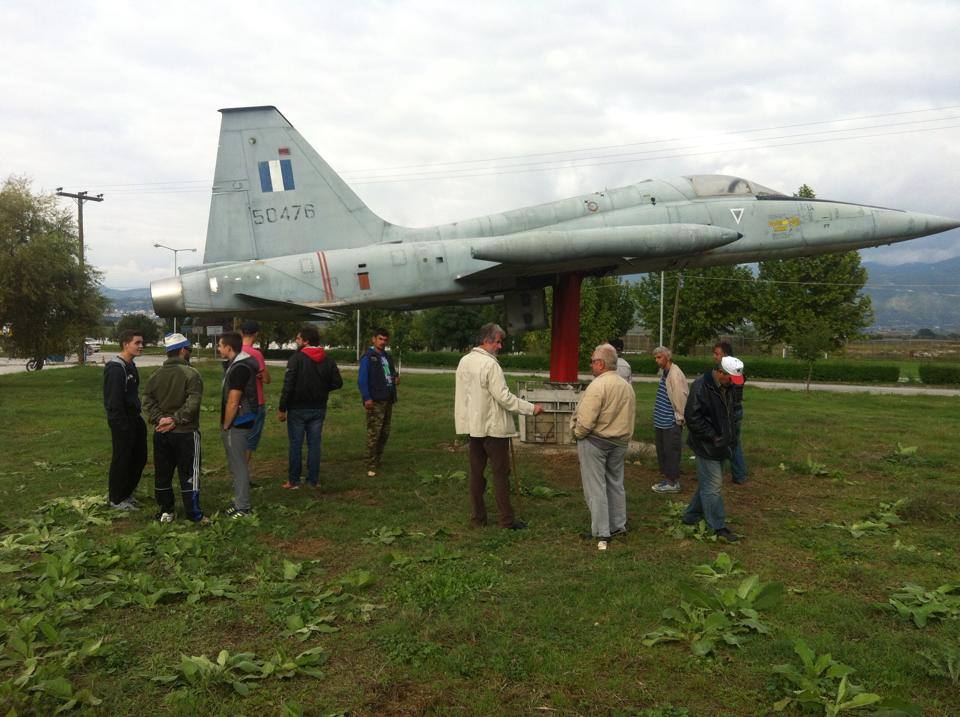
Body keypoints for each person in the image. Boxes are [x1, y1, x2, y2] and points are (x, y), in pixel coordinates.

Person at [454, 323, 543, 530]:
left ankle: (478, 518)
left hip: (474, 428)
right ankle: (507, 520)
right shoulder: (490, 365)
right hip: (493, 428)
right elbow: (504, 398)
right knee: (500, 474)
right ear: (486, 341)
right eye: (498, 341)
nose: (500, 346)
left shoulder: (464, 361)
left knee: (476, 473)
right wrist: (531, 408)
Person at [572, 343, 636, 551]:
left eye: (592, 361)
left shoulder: (597, 386)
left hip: (595, 441)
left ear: (600, 364)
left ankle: (601, 532)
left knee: (595, 487)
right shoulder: (626, 386)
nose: (590, 365)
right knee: (616, 483)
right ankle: (618, 525)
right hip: (619, 442)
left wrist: (577, 434)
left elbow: (586, 420)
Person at [142, 333, 204, 523]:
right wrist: (175, 420)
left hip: (161, 433)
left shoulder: (155, 375)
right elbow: (192, 405)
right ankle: (193, 514)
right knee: (189, 474)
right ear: (184, 350)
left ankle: (166, 512)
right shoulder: (192, 374)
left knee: (163, 473)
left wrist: (161, 419)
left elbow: (147, 401)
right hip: (186, 433)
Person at [682, 356, 745, 542]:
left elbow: (732, 411)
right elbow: (692, 418)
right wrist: (713, 437)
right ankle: (717, 527)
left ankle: (691, 516)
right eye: (730, 378)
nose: (734, 383)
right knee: (714, 486)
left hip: (723, 443)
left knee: (708, 483)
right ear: (719, 372)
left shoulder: (731, 385)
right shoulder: (701, 386)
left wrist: (730, 437)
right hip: (707, 445)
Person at [277, 325, 343, 489]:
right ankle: (313, 480)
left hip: (297, 408)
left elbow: (288, 385)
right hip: (318, 408)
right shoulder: (327, 359)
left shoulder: (296, 359)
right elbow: (337, 382)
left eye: (298, 339)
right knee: (314, 445)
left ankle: (293, 480)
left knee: (296, 444)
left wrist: (282, 408)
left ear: (305, 341)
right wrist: (322, 388)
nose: (296, 341)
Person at [103, 329, 147, 510]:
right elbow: (114, 401)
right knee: (122, 458)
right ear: (125, 344)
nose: (141, 346)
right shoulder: (116, 368)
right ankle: (116, 498)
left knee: (139, 457)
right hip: (122, 421)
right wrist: (122, 425)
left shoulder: (131, 365)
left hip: (135, 418)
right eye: (137, 343)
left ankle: (127, 493)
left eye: (142, 343)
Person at [218, 331, 261, 517]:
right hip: (242, 420)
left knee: (239, 465)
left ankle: (243, 508)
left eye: (220, 345)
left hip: (238, 422)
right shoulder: (237, 365)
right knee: (236, 464)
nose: (218, 348)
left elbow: (233, 400)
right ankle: (239, 502)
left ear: (229, 348)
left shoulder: (239, 368)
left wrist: (227, 424)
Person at [357, 327, 398, 477]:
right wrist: (367, 397)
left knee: (385, 432)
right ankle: (370, 462)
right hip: (375, 400)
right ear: (374, 339)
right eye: (380, 339)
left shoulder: (387, 357)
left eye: (385, 340)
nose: (383, 342)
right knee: (374, 432)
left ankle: (378, 458)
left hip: (388, 399)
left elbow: (392, 373)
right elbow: (362, 380)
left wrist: (396, 378)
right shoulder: (368, 357)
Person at [650, 346, 688, 494]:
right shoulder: (666, 373)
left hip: (670, 422)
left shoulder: (675, 374)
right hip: (661, 421)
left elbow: (680, 397)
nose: (657, 360)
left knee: (671, 452)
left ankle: (672, 483)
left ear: (668, 357)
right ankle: (668, 479)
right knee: (663, 452)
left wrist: (679, 418)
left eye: (659, 357)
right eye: (655, 358)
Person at [713, 341, 747, 484]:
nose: (715, 357)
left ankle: (739, 474)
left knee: (732, 442)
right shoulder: (730, 371)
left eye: (717, 354)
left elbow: (736, 385)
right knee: (731, 442)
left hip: (732, 413)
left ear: (725, 356)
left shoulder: (734, 374)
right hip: (730, 412)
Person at [241, 320, 271, 481]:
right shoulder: (256, 354)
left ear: (242, 333)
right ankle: (243, 476)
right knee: (250, 441)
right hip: (256, 402)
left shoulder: (235, 351)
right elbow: (266, 378)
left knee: (240, 438)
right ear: (256, 334)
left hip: (239, 402)